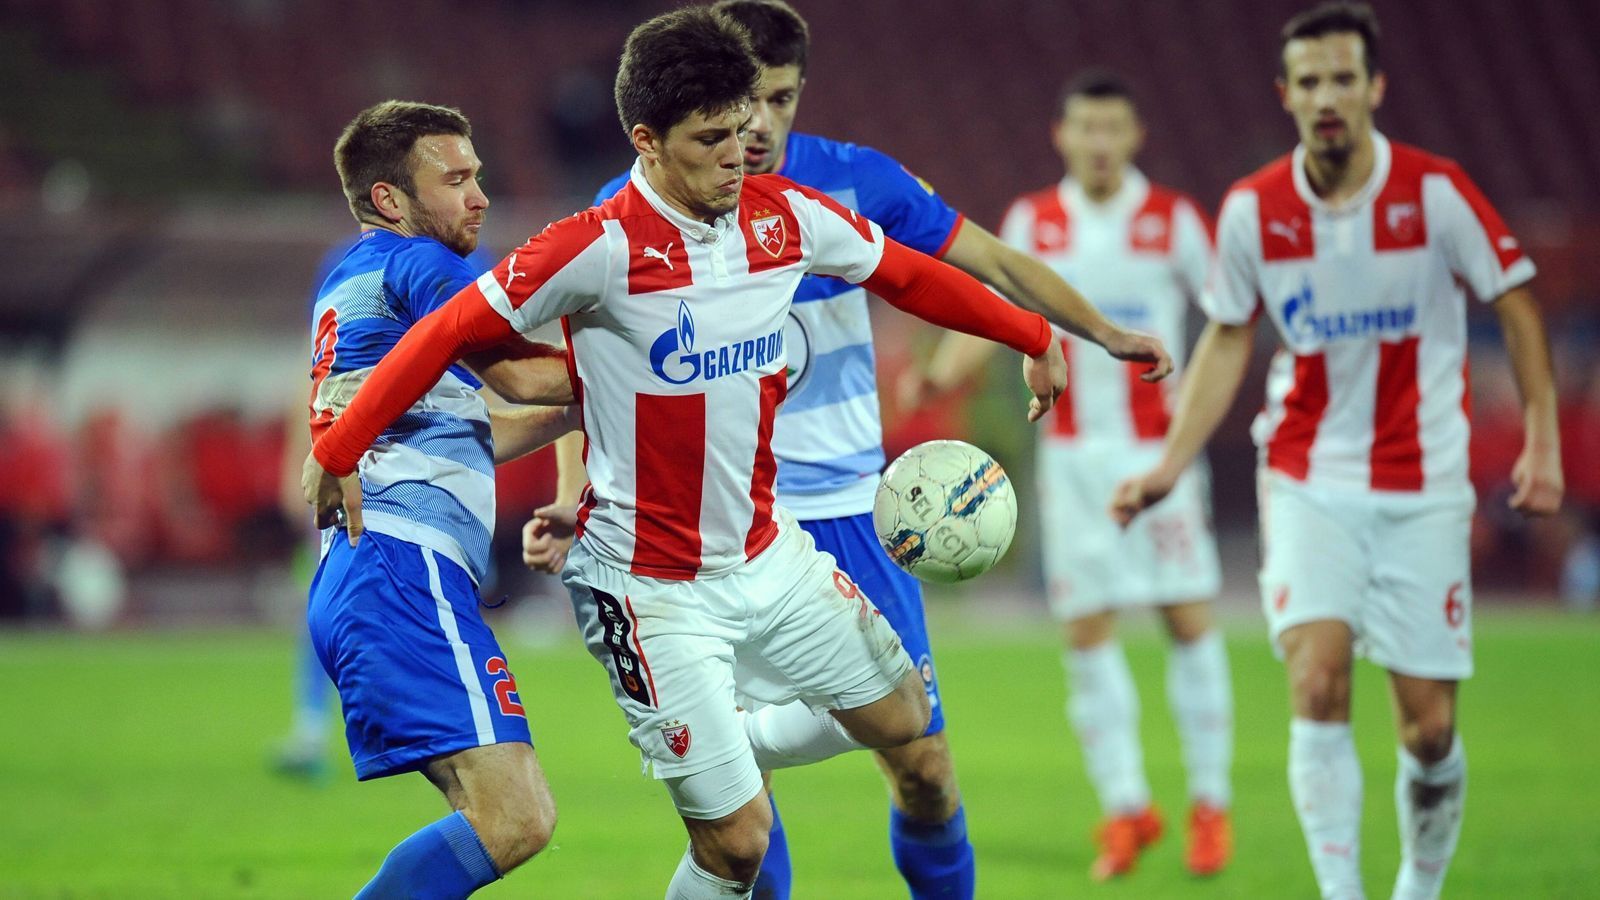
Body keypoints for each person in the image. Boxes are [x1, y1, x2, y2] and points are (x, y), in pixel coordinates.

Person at [302, 10, 1069, 898]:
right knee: (738, 845)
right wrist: (341, 445)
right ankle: (710, 760)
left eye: (742, 135)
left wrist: (1028, 330)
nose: (738, 158)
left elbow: (904, 272)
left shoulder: (786, 219)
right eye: (710, 140)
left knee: (905, 718)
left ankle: (722, 742)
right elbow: (441, 334)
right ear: (648, 142)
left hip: (768, 556)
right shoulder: (596, 248)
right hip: (649, 587)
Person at [569, 5, 1172, 897]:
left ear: (800, 90)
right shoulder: (638, 213)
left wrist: (1096, 330)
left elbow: (989, 263)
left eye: (780, 99)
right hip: (718, 528)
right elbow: (588, 373)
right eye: (745, 105)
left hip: (853, 510)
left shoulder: (851, 185)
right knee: (743, 805)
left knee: (923, 764)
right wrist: (566, 492)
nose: (760, 127)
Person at [1111, 4, 1563, 898]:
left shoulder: (1434, 194)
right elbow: (1229, 337)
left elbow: (1514, 302)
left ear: (1374, 87)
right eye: (1309, 81)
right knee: (1316, 681)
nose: (1327, 96)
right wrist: (1168, 464)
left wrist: (1541, 437)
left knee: (1428, 732)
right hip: (1308, 476)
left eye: (1343, 78)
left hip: (1424, 485)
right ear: (1286, 95)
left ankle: (1417, 890)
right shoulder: (1253, 209)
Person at [908, 69, 1234, 881]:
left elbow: (1233, 315)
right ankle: (1128, 809)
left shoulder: (1174, 222)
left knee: (1186, 619)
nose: (1098, 143)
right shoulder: (1034, 221)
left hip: (1158, 454)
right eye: (1084, 128)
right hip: (1071, 459)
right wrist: (942, 375)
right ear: (1062, 135)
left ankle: (1210, 805)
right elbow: (996, 307)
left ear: (1134, 137)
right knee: (1087, 636)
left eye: (1111, 128)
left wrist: (1190, 429)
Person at [304, 100, 576, 898]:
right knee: (516, 818)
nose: (479, 196)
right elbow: (522, 375)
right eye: (455, 179)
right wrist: (676, 364)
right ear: (392, 199)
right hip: (400, 568)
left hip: (373, 571)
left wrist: (577, 406)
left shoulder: (352, 281)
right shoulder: (418, 265)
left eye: (478, 176)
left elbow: (475, 423)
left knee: (486, 818)